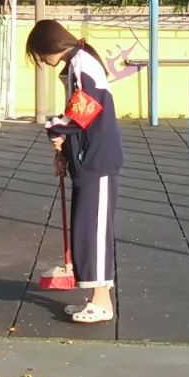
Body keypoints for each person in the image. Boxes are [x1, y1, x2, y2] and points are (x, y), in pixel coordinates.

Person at [26, 19, 124, 324]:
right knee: (86, 229)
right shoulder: (75, 64)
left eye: (39, 54)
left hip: (98, 159)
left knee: (93, 230)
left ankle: (102, 303)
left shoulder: (82, 63)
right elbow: (78, 115)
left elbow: (87, 107)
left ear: (50, 45)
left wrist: (55, 127)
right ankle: (96, 298)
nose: (41, 60)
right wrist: (66, 150)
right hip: (88, 158)